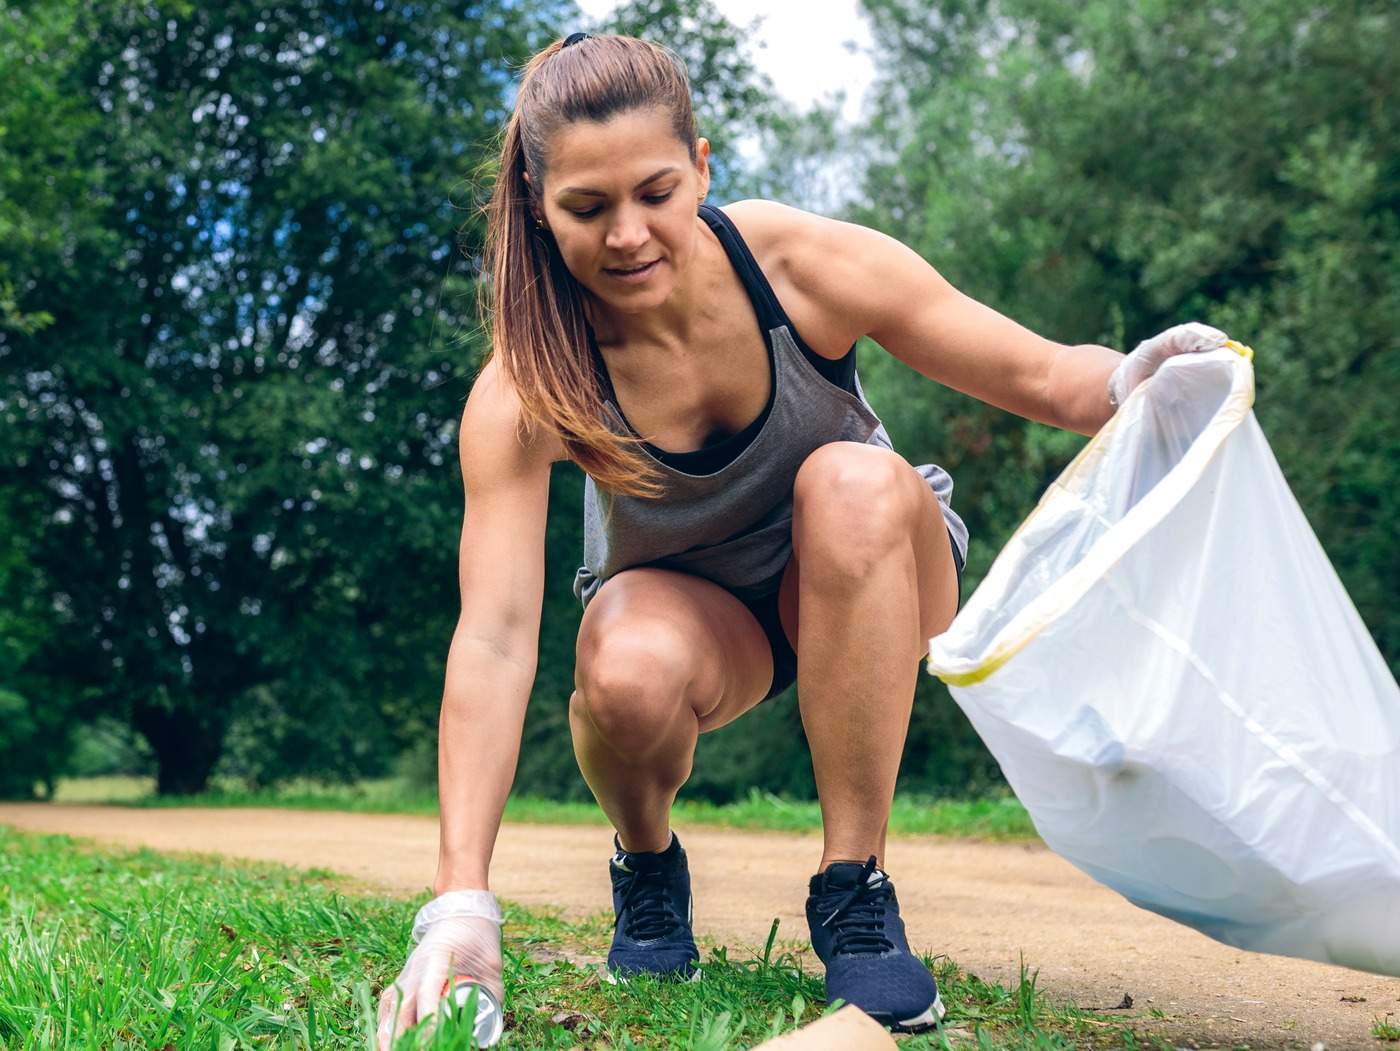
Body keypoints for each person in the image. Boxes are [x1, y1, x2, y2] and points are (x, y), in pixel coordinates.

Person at [376, 31, 1230, 1047]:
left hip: (875, 565)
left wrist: (1137, 379)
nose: (627, 235)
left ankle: (852, 886)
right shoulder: (523, 386)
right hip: (702, 618)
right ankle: (646, 865)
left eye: (654, 191)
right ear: (536, 206)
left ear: (700, 167)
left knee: (851, 482)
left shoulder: (798, 267)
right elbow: (495, 638)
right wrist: (458, 904)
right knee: (620, 666)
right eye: (586, 207)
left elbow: (1049, 379)